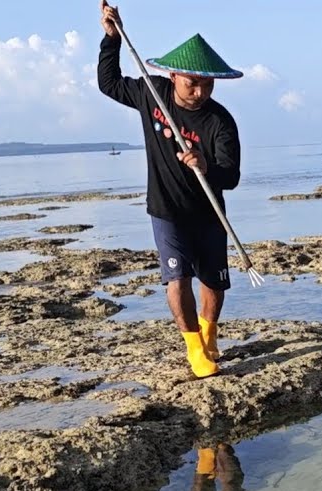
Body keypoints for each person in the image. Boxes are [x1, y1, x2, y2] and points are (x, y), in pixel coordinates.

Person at [97, 1, 243, 378]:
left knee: (213, 282)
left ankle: (209, 337)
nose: (199, 92)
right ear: (174, 76)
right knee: (176, 278)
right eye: (192, 82)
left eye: (207, 84)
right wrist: (110, 40)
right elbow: (108, 84)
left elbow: (231, 176)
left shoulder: (220, 122)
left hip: (209, 213)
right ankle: (194, 348)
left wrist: (206, 166)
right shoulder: (152, 94)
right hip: (165, 210)